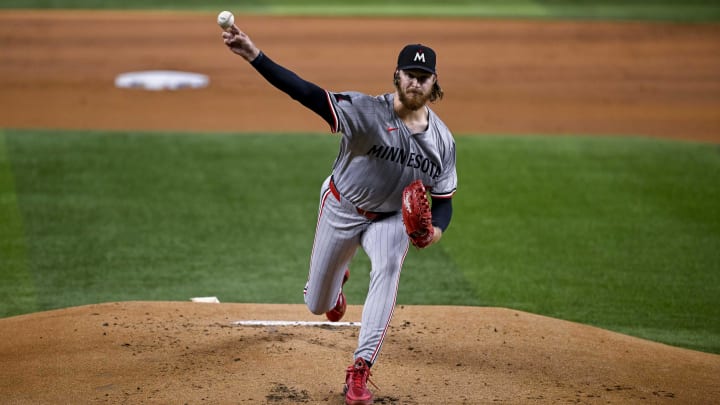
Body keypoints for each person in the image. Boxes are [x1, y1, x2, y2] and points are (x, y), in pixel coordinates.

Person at [222, 22, 457, 405]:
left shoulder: (442, 142)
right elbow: (307, 94)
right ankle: (334, 288)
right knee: (317, 305)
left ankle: (360, 370)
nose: (415, 83)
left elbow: (444, 200)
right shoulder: (365, 111)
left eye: (423, 77)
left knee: (388, 268)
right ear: (397, 76)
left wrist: (435, 233)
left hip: (390, 219)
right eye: (409, 75)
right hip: (342, 207)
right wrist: (255, 56)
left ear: (434, 83)